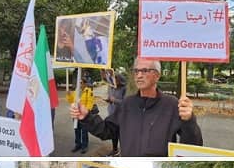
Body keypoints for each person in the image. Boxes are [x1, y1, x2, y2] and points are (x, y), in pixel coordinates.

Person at [70, 58, 202, 156]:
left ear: (157, 75)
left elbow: (193, 147)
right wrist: (86, 117)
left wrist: (189, 121)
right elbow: (107, 131)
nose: (139, 75)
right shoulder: (127, 104)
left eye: (145, 70)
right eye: (136, 71)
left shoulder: (172, 104)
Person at [106, 73, 126, 155]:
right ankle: (115, 150)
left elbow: (125, 103)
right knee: (113, 134)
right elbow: (110, 98)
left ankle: (124, 151)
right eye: (113, 79)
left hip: (121, 116)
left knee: (121, 134)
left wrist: (115, 100)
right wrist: (108, 100)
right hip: (111, 114)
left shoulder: (124, 89)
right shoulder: (111, 87)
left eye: (116, 79)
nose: (114, 81)